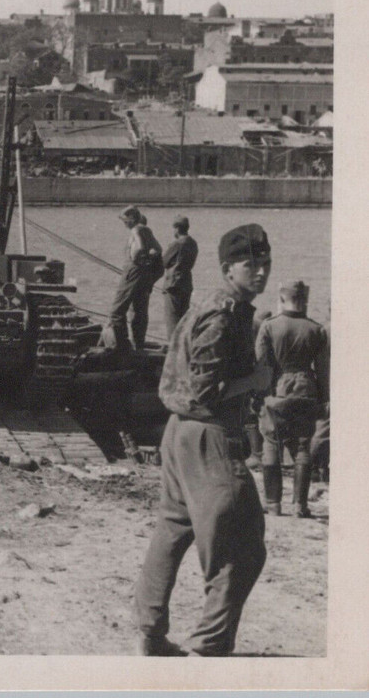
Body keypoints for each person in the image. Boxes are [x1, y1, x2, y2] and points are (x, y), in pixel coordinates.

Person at [134, 224, 273, 657]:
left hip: (179, 433)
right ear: (228, 268)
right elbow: (205, 390)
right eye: (250, 264)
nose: (261, 272)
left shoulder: (209, 303)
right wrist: (257, 379)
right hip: (208, 437)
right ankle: (208, 648)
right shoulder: (224, 314)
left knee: (172, 532)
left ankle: (149, 634)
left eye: (265, 263)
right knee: (242, 549)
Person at [256, 281, 329, 518]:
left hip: (277, 390)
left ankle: (273, 504)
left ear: (281, 298)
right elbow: (323, 369)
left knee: (270, 442)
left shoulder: (269, 326)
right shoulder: (317, 329)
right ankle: (299, 506)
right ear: (305, 300)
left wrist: (259, 394)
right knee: (302, 446)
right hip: (306, 390)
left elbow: (261, 364)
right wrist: (324, 399)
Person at [107, 206, 163, 353]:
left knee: (116, 311)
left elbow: (140, 247)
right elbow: (158, 249)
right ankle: (139, 345)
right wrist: (148, 259)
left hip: (133, 270)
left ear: (131, 219)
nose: (124, 223)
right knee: (139, 310)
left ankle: (122, 347)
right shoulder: (146, 229)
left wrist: (136, 258)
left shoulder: (136, 230)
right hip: (144, 273)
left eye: (125, 220)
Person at [162, 215, 198, 336]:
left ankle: (173, 345)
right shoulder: (193, 243)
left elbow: (164, 262)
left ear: (177, 228)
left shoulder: (177, 244)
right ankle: (182, 344)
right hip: (186, 284)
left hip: (173, 285)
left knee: (172, 320)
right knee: (183, 320)